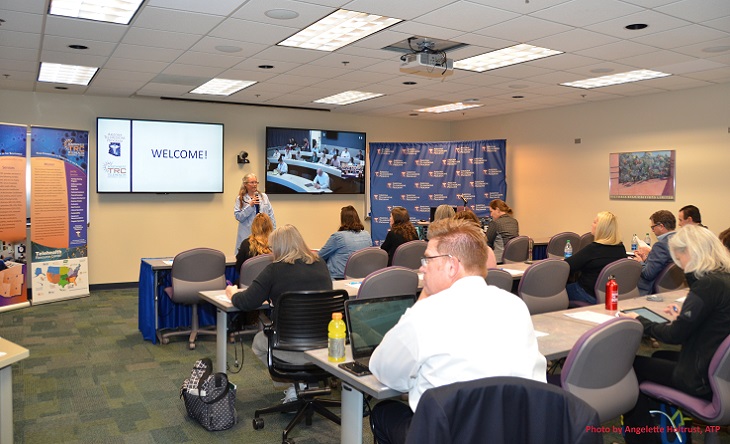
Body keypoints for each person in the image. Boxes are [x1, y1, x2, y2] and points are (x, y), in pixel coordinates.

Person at [369, 218, 547, 444]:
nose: (422, 267)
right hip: (513, 431)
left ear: (451, 266)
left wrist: (422, 300)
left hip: (448, 435)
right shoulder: (515, 305)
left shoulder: (426, 314)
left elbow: (384, 370)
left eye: (428, 259)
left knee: (384, 411)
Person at [620, 225, 730, 443]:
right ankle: (676, 435)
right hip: (720, 374)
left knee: (630, 365)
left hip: (699, 378)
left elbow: (673, 336)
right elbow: (715, 321)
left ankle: (643, 439)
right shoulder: (723, 279)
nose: (679, 263)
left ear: (690, 252)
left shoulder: (706, 285)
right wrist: (686, 313)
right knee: (660, 358)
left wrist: (640, 320)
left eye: (679, 256)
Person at [226, 224, 332, 403]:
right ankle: (306, 383)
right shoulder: (320, 264)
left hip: (288, 346)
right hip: (324, 345)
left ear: (279, 247)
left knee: (259, 342)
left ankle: (294, 384)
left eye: (273, 247)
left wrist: (232, 293)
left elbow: (246, 302)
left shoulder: (274, 269)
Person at [565, 211, 627, 305]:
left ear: (601, 228)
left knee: (556, 291)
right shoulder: (621, 248)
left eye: (594, 222)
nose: (592, 224)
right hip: (609, 295)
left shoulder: (593, 249)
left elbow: (567, 266)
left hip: (587, 294)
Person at [317, 206, 372, 279]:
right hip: (361, 277)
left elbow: (320, 256)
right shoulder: (366, 235)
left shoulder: (338, 237)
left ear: (343, 220)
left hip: (339, 277)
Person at [633, 210, 676, 295]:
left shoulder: (660, 245)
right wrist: (646, 260)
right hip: (670, 286)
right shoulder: (679, 240)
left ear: (661, 226)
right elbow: (661, 265)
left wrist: (640, 262)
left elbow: (648, 274)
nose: (652, 230)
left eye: (653, 227)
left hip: (648, 290)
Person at [234, 174, 276, 254]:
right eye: (252, 182)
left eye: (256, 182)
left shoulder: (264, 197)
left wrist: (273, 231)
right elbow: (238, 216)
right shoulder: (240, 199)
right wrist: (250, 206)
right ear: (245, 184)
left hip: (264, 234)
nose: (254, 185)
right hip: (247, 234)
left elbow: (271, 215)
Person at [485, 199, 519, 263]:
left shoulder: (495, 223)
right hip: (514, 259)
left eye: (491, 211)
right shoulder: (514, 221)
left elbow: (487, 243)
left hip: (499, 260)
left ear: (497, 210)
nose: (491, 215)